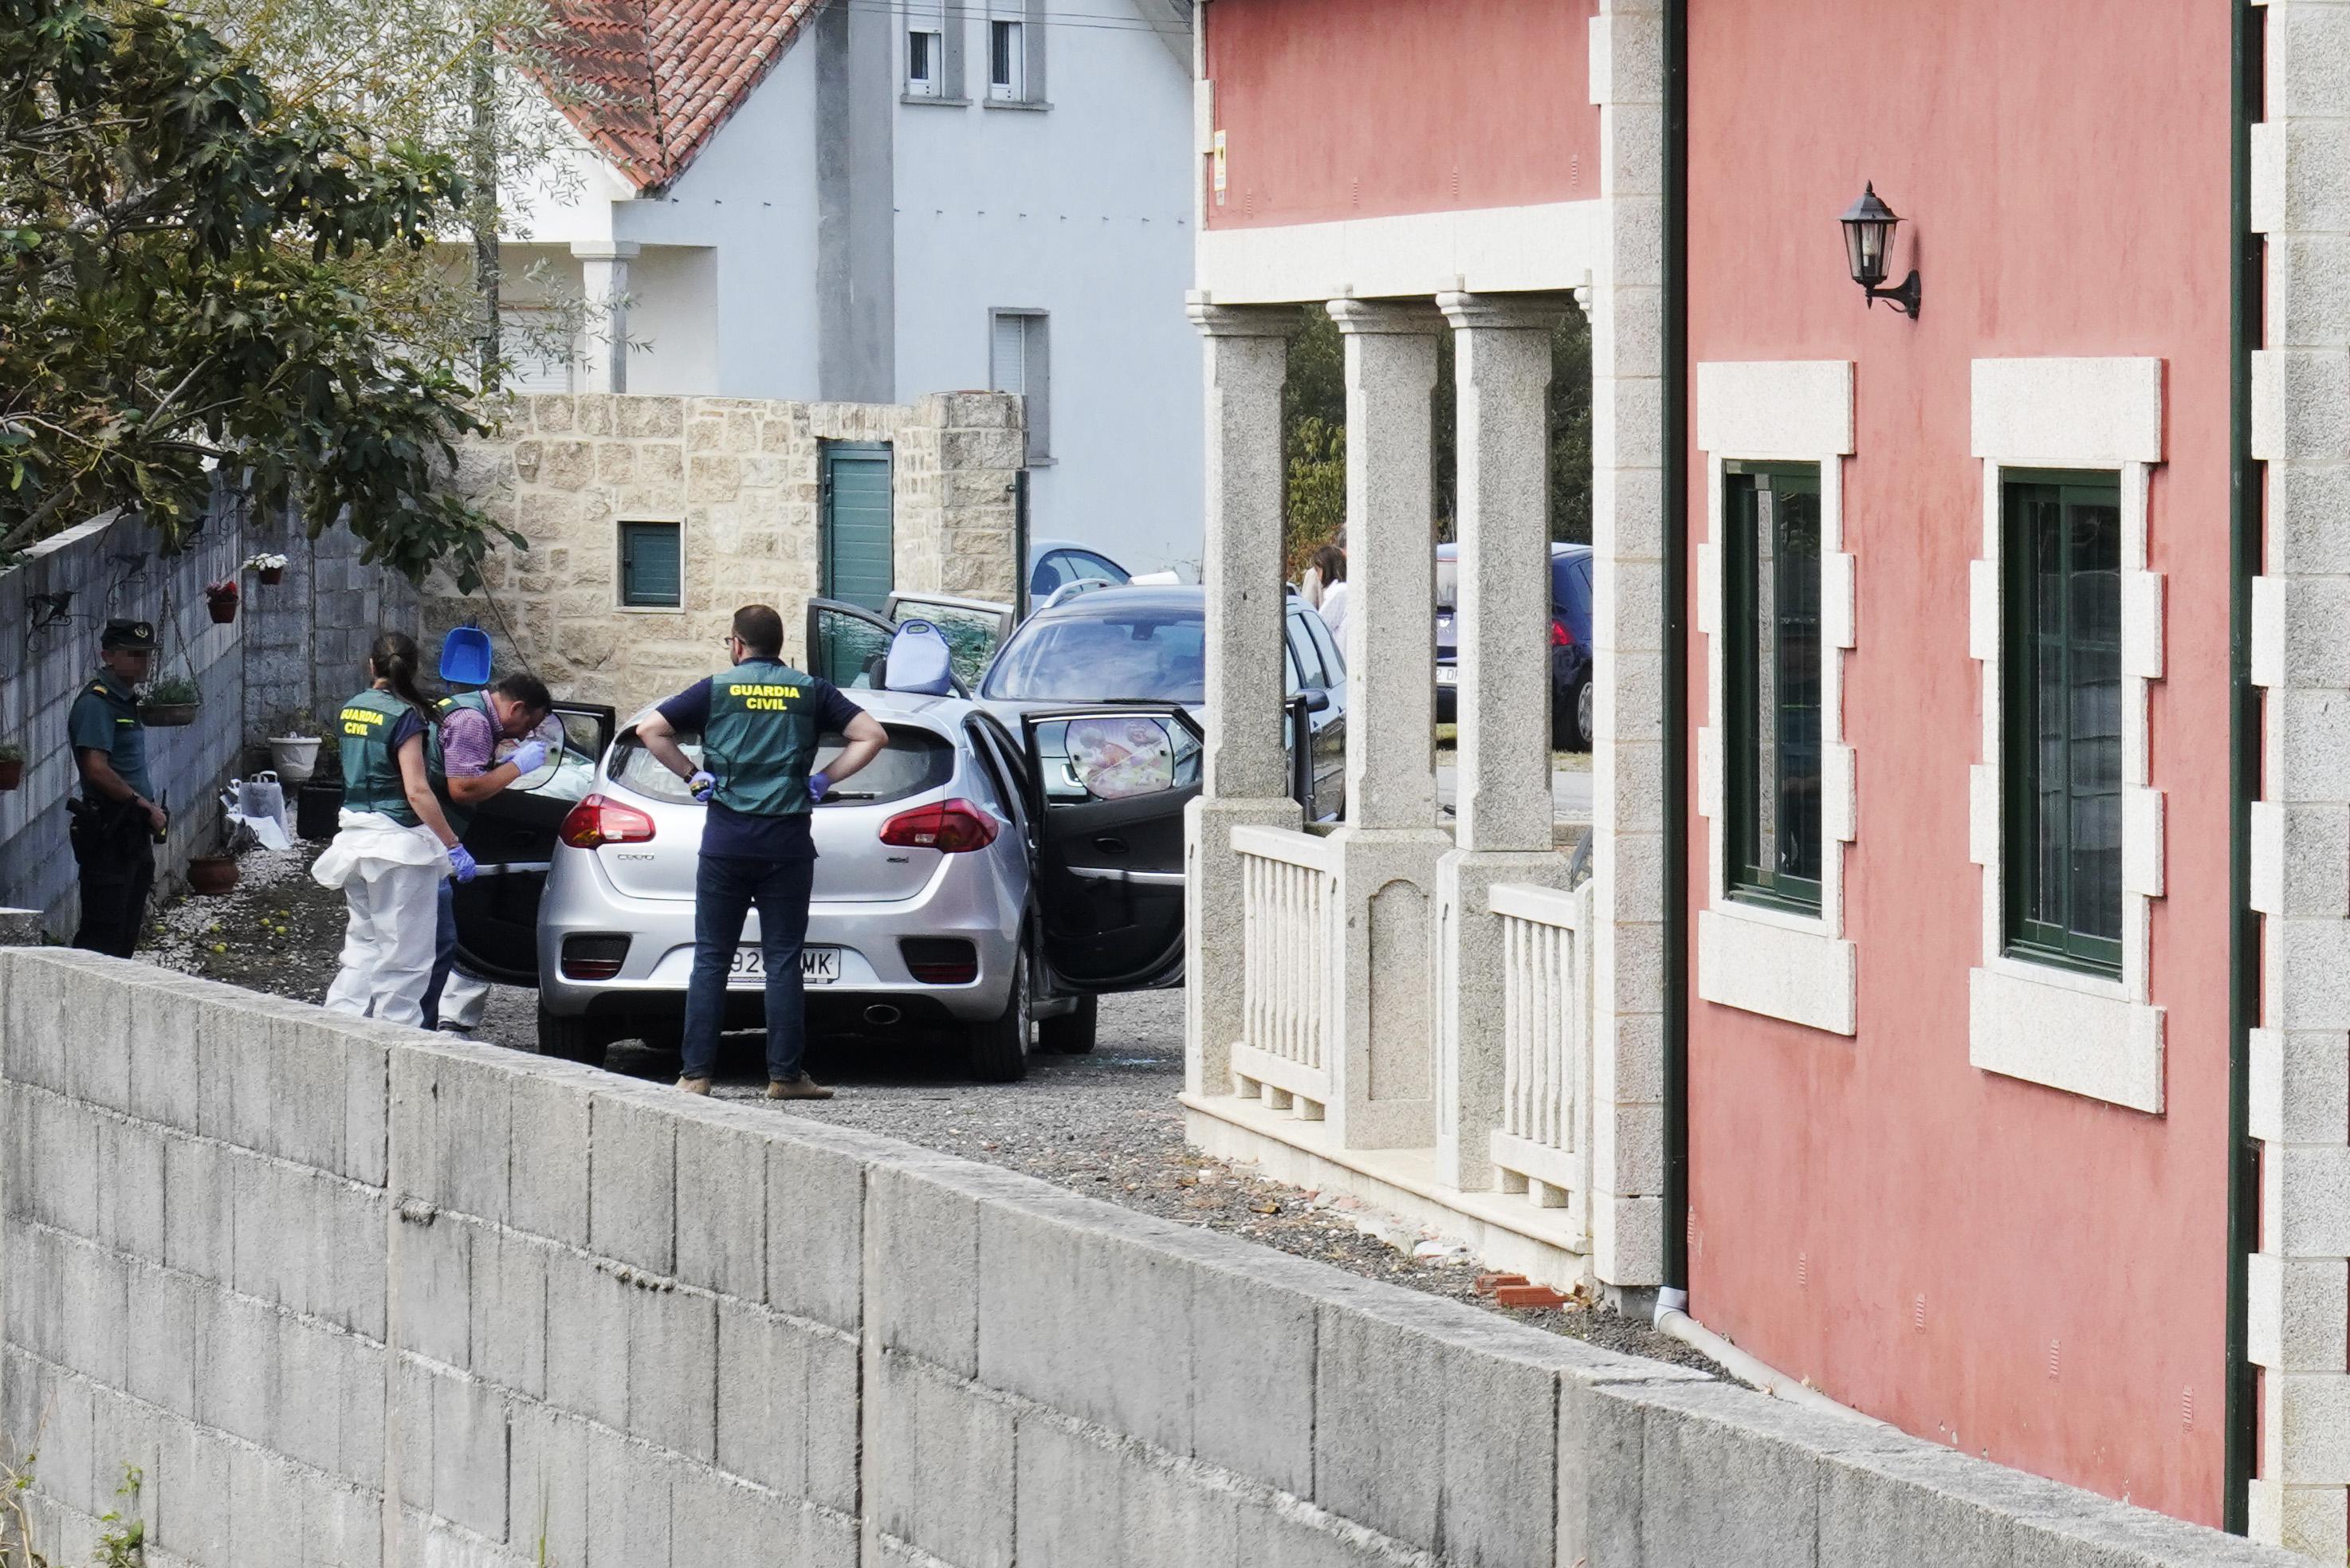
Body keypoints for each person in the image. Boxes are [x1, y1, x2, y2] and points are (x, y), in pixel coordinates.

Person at [637, 603, 886, 1100]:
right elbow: (872, 735)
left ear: (736, 643)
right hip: (787, 844)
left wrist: (692, 775)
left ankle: (695, 1076)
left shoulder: (714, 689)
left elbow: (651, 730)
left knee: (711, 959)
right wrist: (824, 777)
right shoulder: (810, 690)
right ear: (780, 646)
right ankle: (785, 1076)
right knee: (783, 961)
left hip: (726, 843)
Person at [313, 632, 477, 1027]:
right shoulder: (407, 716)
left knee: (364, 945)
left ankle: (338, 1026)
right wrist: (452, 844)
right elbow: (417, 791)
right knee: (407, 958)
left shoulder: (350, 709)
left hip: (354, 838)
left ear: (372, 666)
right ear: (413, 668)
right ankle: (395, 1040)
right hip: (401, 847)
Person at [421, 672, 556, 1036]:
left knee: (436, 938)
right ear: (518, 707)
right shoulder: (472, 722)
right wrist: (516, 767)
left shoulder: (464, 707)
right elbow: (464, 789)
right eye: (531, 723)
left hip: (429, 836)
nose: (529, 733)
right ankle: (421, 1026)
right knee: (435, 942)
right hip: (428, 840)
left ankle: (426, 1020)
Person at [65, 619, 167, 957]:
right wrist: (145, 806)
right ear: (108, 656)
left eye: (147, 655)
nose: (144, 662)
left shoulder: (124, 700)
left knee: (126, 928)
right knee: (103, 933)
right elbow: (96, 769)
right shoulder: (97, 703)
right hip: (110, 827)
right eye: (134, 654)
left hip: (130, 829)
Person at [1310, 540, 1350, 640]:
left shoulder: (1340, 592)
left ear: (1328, 569)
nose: (1318, 576)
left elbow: (1319, 627)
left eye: (1318, 570)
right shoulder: (1343, 590)